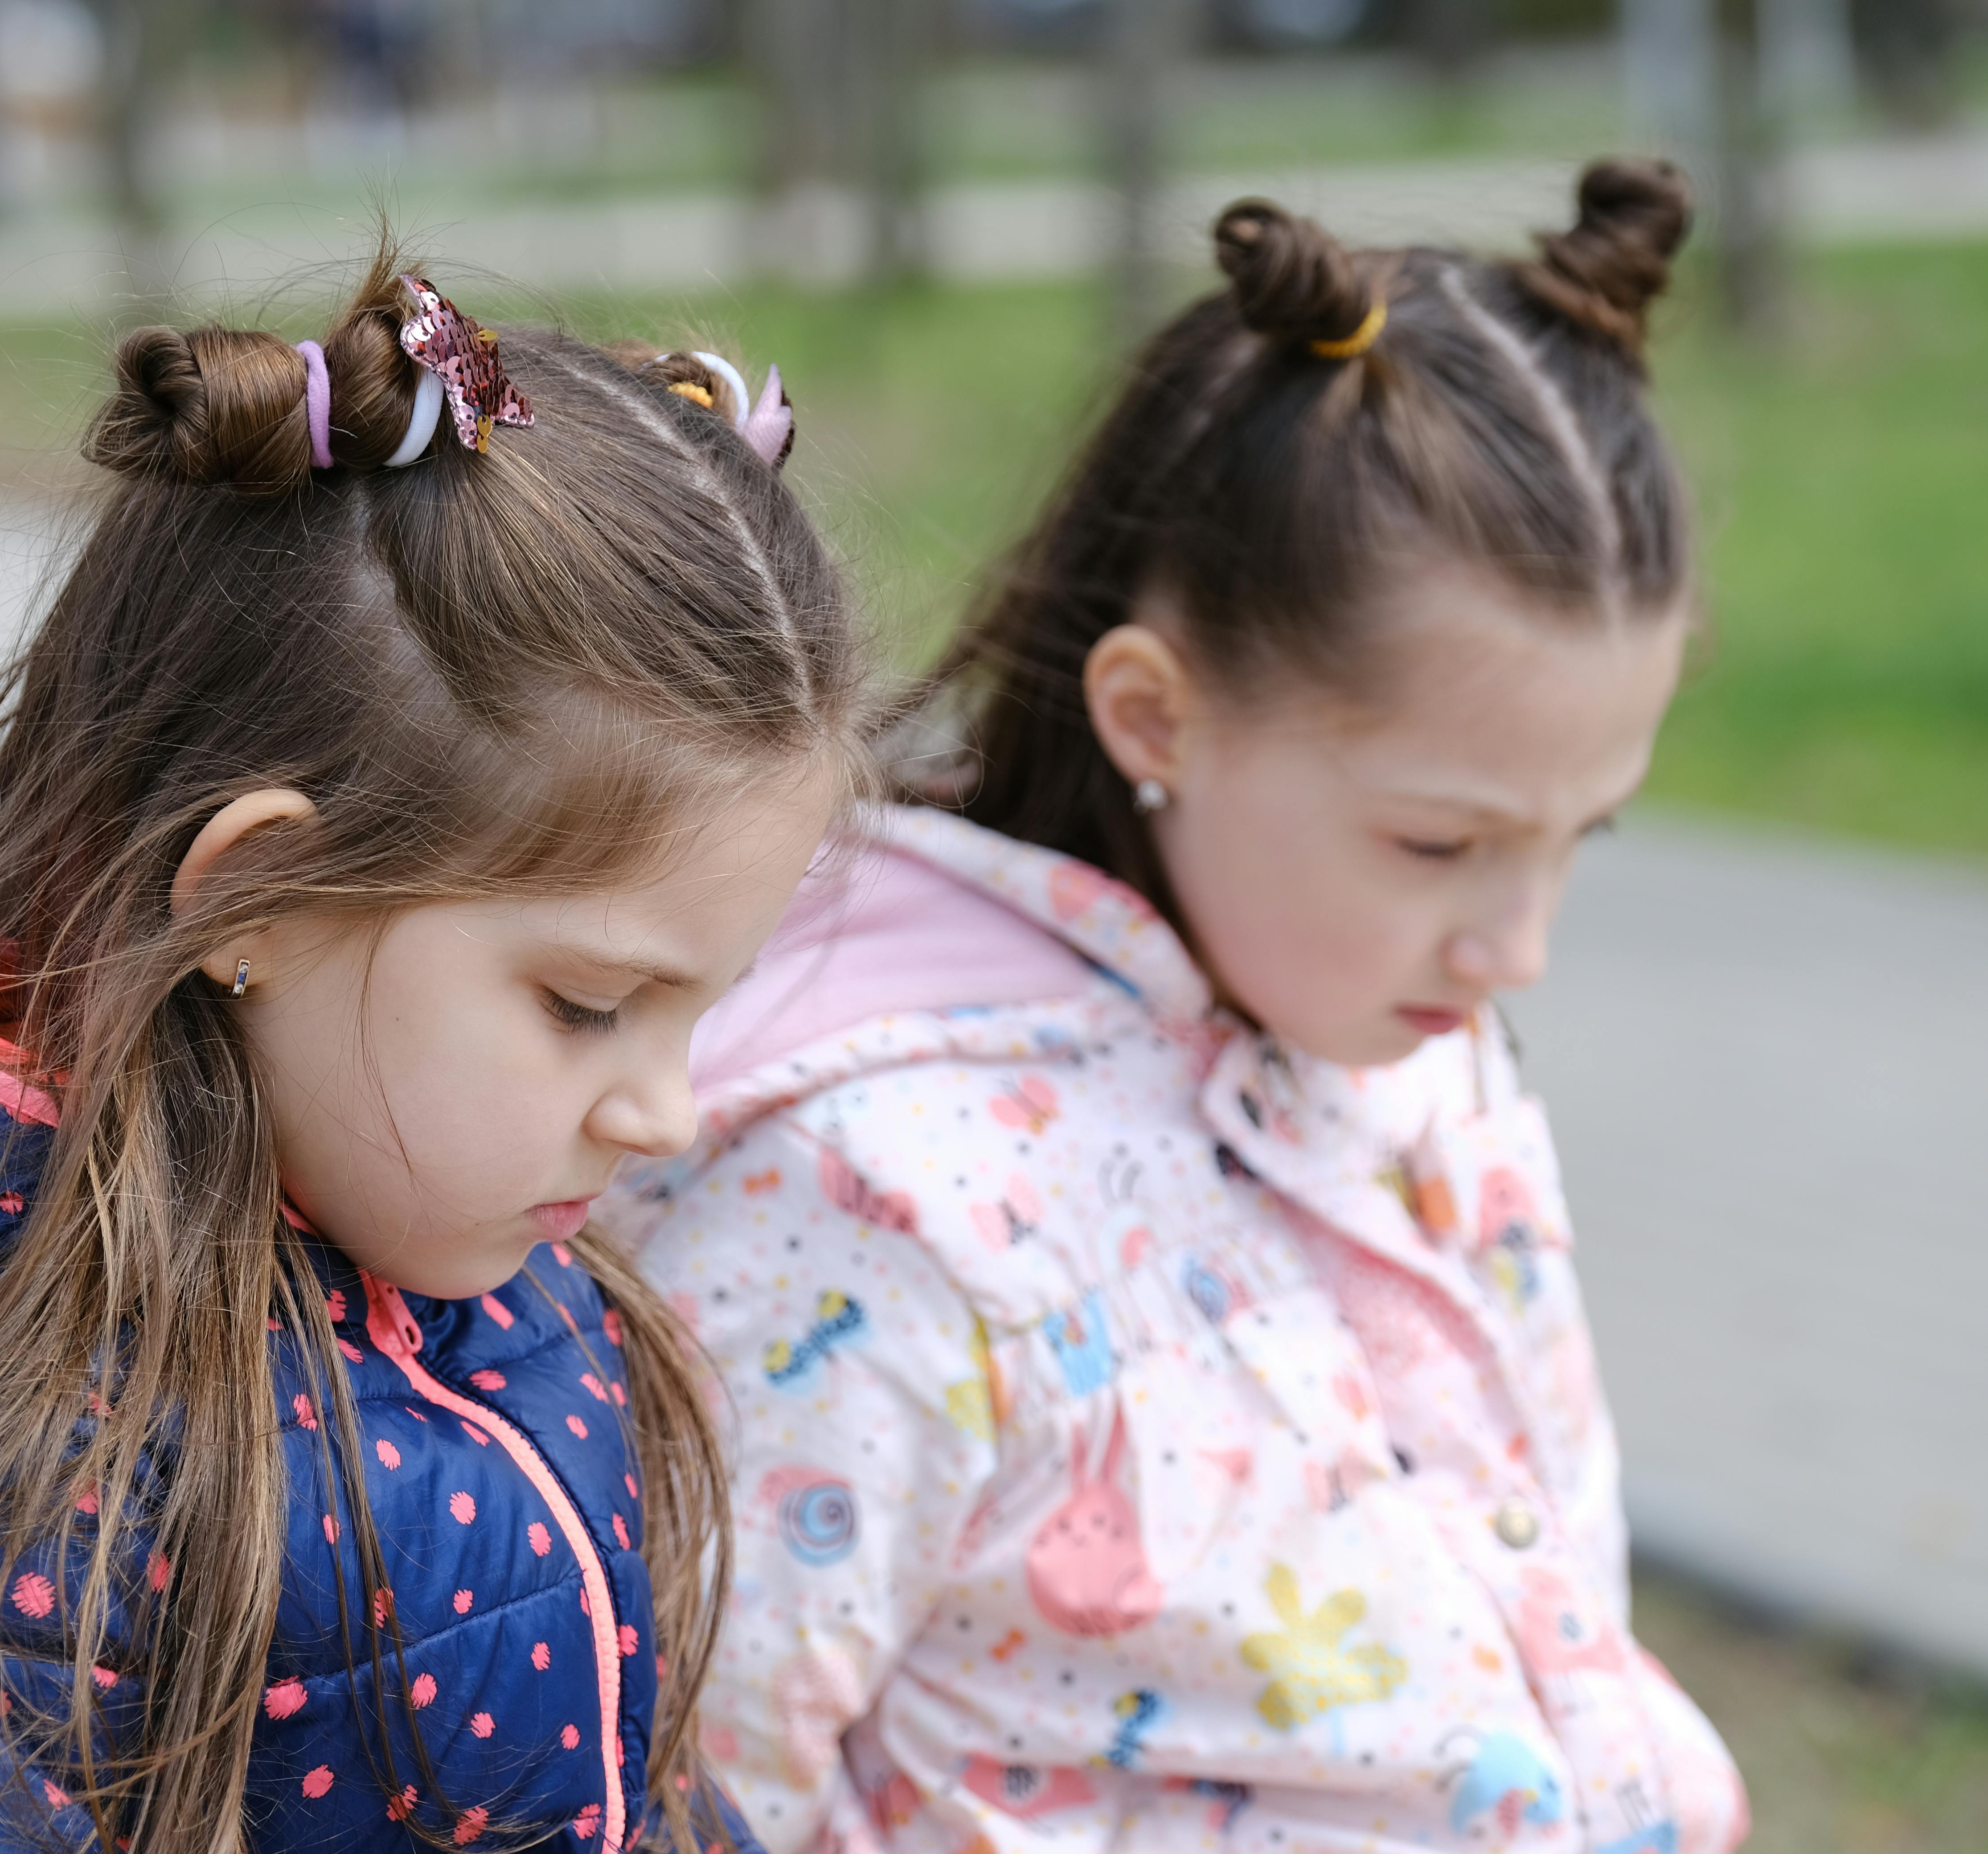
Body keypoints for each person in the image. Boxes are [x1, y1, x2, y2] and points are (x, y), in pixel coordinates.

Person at [0, 255, 859, 1854]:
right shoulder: (6, 1485)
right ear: (257, 896)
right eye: (589, 1007)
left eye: (706, 1005)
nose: (666, 1113)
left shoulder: (464, 1281)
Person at [611, 160, 1750, 1853]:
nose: (1517, 949)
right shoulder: (871, 1196)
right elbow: (695, 1787)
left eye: (1582, 836)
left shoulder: (1418, 1071)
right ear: (1155, 716)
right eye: (1439, 844)